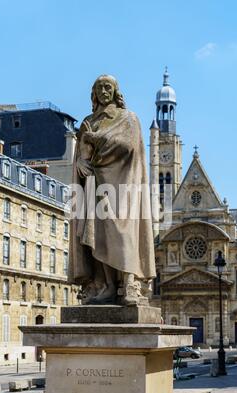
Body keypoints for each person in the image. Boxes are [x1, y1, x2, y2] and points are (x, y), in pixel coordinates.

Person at [69, 75, 156, 305]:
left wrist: (94, 137)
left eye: (108, 87)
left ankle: (129, 283)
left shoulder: (128, 118)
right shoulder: (89, 121)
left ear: (116, 91)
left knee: (122, 232)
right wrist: (78, 162)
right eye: (99, 87)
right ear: (94, 93)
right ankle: (106, 285)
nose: (104, 90)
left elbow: (126, 146)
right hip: (94, 183)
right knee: (98, 237)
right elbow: (82, 153)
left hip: (122, 183)